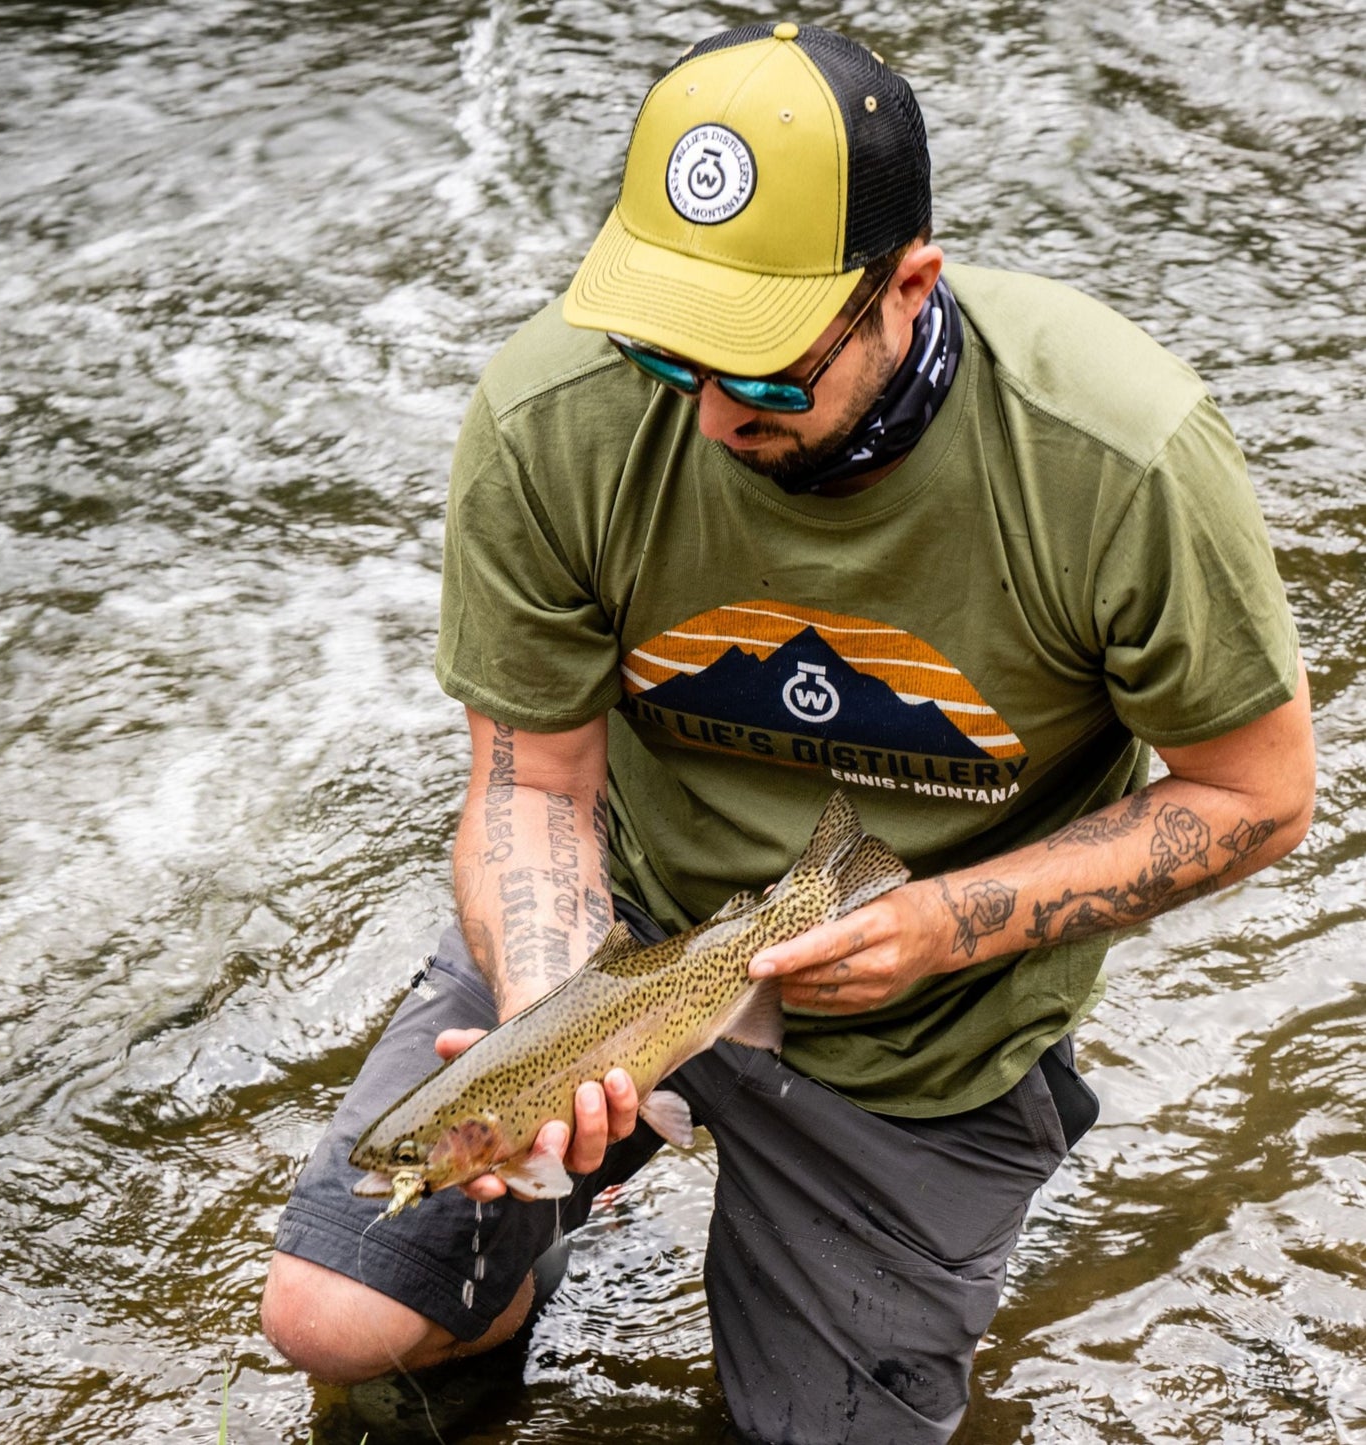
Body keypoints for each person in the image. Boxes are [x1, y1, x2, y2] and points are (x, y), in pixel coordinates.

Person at [261, 21, 1315, 1443]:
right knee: (335, 1319)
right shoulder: (548, 418)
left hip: (928, 1016)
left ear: (908, 286)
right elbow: (533, 786)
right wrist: (550, 1031)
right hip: (632, 930)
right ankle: (532, 1265)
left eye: (760, 376)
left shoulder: (1115, 456)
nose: (703, 417)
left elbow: (1256, 794)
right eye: (663, 355)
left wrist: (942, 926)